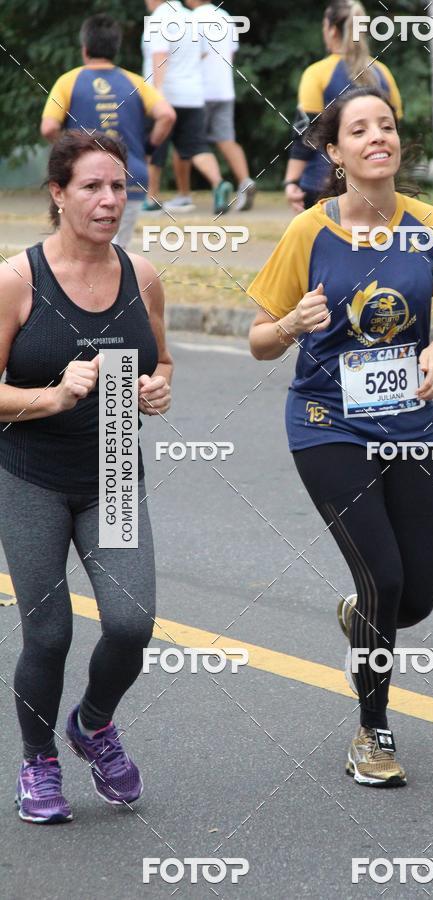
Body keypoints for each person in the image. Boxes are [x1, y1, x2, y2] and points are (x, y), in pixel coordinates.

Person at [249, 88, 433, 786]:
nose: (377, 136)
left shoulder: (431, 225)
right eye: (359, 130)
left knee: (416, 599)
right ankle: (372, 732)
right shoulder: (308, 232)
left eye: (386, 126)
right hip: (328, 423)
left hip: (410, 424)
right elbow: (259, 341)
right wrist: (291, 324)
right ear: (336, 153)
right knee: (382, 576)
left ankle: (362, 615)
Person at [0, 131, 173, 823]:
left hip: (114, 469)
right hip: (31, 476)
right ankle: (38, 760)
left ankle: (93, 724)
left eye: (119, 187)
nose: (109, 201)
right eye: (92, 187)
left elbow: (162, 361)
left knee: (131, 624)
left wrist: (157, 387)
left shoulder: (143, 275)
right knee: (48, 634)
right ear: (58, 193)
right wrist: (52, 396)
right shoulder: (17, 280)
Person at [40, 13, 175, 249]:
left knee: (83, 250)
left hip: (84, 181)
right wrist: (148, 149)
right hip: (129, 176)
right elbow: (167, 115)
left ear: (85, 49)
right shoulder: (135, 82)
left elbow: (49, 127)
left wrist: (67, 150)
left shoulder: (68, 81)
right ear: (115, 49)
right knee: (116, 250)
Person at [284, 0, 402, 213]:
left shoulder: (317, 73)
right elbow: (396, 127)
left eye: (323, 26)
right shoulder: (383, 72)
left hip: (321, 185)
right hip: (376, 185)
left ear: (331, 30)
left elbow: (305, 133)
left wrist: (291, 181)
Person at [142, 0, 233, 215]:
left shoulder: (159, 18)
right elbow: (204, 52)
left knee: (154, 146)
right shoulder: (191, 18)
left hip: (166, 95)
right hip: (193, 95)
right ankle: (218, 182)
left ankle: (150, 198)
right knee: (197, 147)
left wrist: (158, 92)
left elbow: (160, 55)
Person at [168, 0, 256, 213]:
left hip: (198, 91)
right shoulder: (225, 17)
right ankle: (245, 181)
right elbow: (230, 54)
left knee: (184, 142)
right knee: (226, 140)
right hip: (224, 89)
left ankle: (184, 195)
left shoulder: (191, 19)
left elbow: (196, 53)